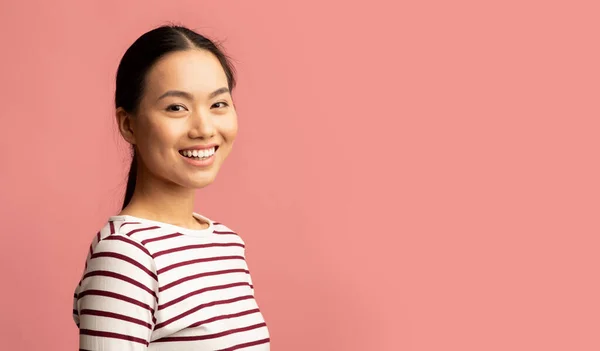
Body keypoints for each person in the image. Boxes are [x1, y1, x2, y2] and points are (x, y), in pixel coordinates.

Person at [72, 24, 270, 350]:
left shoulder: (227, 243)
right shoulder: (127, 255)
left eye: (218, 104)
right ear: (128, 124)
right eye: (176, 107)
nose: (204, 128)